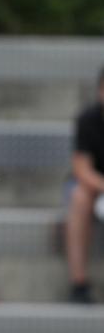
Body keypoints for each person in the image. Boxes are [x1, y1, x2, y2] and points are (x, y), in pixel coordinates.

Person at [65, 67, 104, 304]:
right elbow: (82, 169)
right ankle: (78, 282)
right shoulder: (88, 120)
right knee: (79, 197)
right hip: (93, 186)